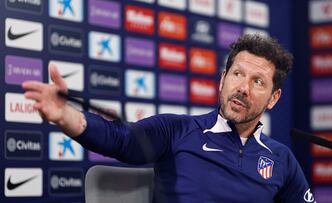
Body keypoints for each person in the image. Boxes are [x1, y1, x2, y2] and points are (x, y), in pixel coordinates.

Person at [22, 34, 315, 203]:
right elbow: (118, 139)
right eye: (237, 74)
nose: (243, 88)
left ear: (273, 98)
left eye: (258, 82)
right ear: (223, 79)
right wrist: (65, 116)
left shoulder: (281, 159)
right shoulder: (178, 131)